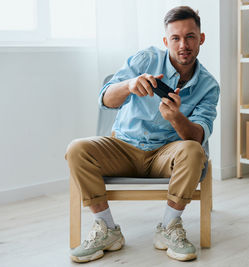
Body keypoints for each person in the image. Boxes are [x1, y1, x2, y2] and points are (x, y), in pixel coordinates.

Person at [65, 5, 219, 263]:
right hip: (123, 147)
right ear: (165, 41)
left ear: (201, 38)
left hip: (166, 155)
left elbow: (196, 137)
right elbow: (105, 99)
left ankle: (169, 227)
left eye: (190, 36)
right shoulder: (145, 59)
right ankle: (107, 230)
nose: (183, 44)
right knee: (77, 148)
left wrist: (176, 118)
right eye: (176, 38)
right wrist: (128, 85)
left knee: (194, 151)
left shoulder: (209, 85)